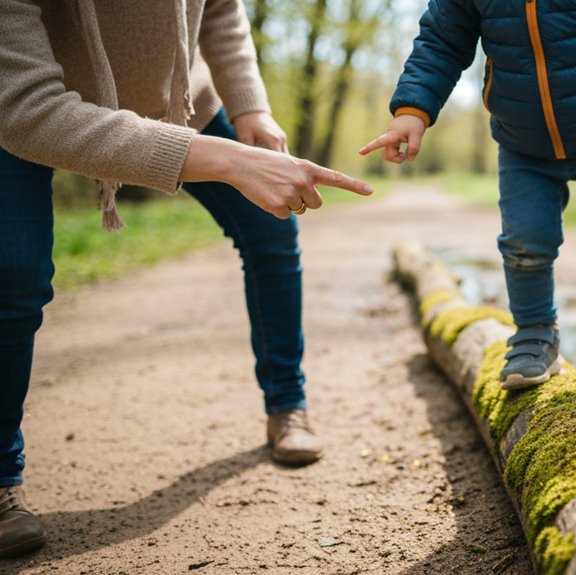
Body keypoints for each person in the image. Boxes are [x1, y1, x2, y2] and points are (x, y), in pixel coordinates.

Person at [0, 0, 374, 559]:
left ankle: (287, 406)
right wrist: (225, 160)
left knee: (272, 235)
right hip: (33, 111)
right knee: (14, 275)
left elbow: (222, 10)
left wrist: (250, 106)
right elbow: (26, 108)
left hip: (186, 102)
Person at [359, 1, 576, 405]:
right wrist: (412, 110)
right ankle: (535, 333)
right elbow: (441, 41)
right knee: (524, 241)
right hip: (523, 140)